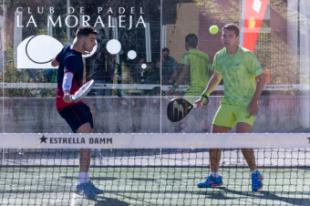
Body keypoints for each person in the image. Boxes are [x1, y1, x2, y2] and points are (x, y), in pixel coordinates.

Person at [195, 24, 265, 192]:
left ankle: (255, 174)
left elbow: (262, 78)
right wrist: (204, 96)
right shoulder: (219, 56)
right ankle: (214, 177)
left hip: (246, 104)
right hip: (228, 104)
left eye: (229, 36)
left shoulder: (247, 56)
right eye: (224, 36)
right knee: (214, 138)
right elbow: (217, 76)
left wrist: (254, 101)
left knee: (242, 139)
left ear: (237, 38)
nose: (226, 39)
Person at [51, 26, 103, 199]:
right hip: (68, 104)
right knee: (86, 139)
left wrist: (59, 62)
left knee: (88, 139)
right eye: (92, 40)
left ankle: (85, 180)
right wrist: (66, 93)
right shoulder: (74, 58)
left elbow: (54, 62)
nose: (93, 44)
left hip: (77, 102)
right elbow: (67, 76)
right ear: (82, 38)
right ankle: (82, 183)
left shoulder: (67, 49)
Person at [176, 33, 211, 131]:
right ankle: (206, 138)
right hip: (205, 91)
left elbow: (183, 73)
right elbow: (212, 72)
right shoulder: (205, 56)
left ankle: (180, 136)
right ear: (197, 44)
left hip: (193, 91)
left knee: (181, 114)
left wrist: (174, 87)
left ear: (186, 44)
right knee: (202, 117)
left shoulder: (187, 55)